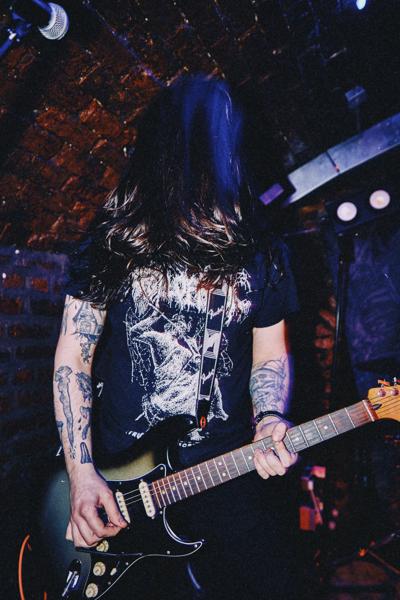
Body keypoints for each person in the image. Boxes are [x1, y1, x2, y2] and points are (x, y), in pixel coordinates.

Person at [53, 74, 299, 599]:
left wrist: (269, 417)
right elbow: (74, 356)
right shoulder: (115, 238)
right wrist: (81, 473)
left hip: (226, 469)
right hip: (124, 478)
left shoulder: (261, 249)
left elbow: (269, 355)